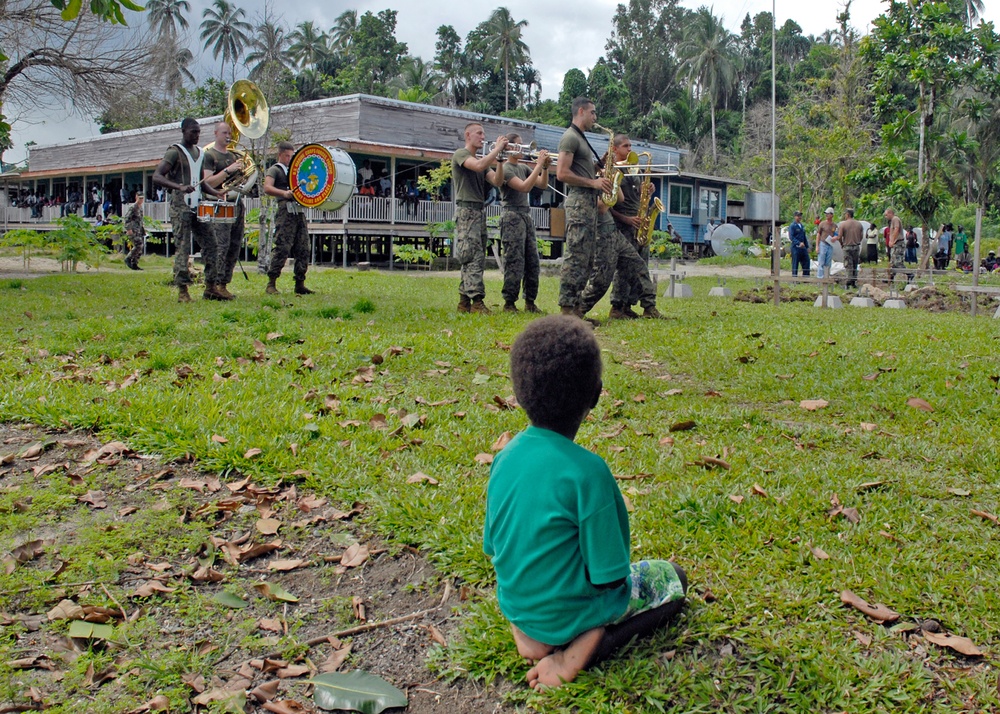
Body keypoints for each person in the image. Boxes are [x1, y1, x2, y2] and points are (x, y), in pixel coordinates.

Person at [484, 315, 688, 690]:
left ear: (519, 392)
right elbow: (609, 577)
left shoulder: (504, 457)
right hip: (570, 615)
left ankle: (531, 634)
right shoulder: (589, 474)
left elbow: (493, 546)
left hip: (518, 605)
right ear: (595, 395)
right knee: (672, 580)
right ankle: (577, 651)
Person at [556, 97, 614, 317]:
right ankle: (567, 309)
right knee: (576, 256)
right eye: (592, 113)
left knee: (587, 258)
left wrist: (598, 166)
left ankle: (576, 309)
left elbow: (580, 169)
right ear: (581, 111)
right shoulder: (570, 137)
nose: (595, 118)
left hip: (588, 203)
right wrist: (593, 182)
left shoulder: (580, 138)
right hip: (579, 201)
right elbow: (562, 173)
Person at [153, 117, 220, 303]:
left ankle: (211, 286)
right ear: (184, 131)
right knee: (183, 246)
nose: (197, 135)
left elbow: (201, 182)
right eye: (193, 132)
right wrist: (178, 186)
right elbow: (157, 176)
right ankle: (183, 290)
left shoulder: (201, 153)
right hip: (180, 204)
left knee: (211, 244)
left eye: (198, 132)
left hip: (198, 204)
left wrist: (217, 193)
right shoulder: (175, 152)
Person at [452, 123, 507, 314]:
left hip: (478, 211)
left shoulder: (482, 161)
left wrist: (500, 160)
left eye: (483, 133)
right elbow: (478, 165)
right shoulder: (461, 154)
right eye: (479, 133)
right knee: (472, 255)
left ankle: (464, 301)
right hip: (466, 210)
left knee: (475, 256)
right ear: (468, 135)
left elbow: (498, 181)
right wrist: (497, 149)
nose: (483, 137)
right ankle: (476, 301)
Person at [607, 135, 663, 319]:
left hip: (638, 223)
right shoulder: (614, 171)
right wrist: (627, 219)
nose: (629, 149)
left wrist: (644, 192)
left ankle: (628, 305)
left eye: (631, 145)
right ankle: (617, 305)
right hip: (623, 224)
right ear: (615, 149)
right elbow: (609, 206)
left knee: (641, 263)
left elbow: (636, 199)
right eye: (625, 146)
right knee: (626, 267)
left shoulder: (634, 170)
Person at [498, 133, 549, 313]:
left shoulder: (523, 167)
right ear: (509, 148)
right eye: (518, 145)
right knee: (514, 260)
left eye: (522, 145)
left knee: (532, 261)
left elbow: (542, 184)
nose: (522, 148)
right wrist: (538, 165)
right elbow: (524, 187)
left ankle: (530, 301)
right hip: (511, 215)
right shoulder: (506, 169)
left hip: (525, 216)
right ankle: (509, 302)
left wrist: (545, 168)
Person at [201, 121, 247, 300]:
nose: (228, 136)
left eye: (230, 133)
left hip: (235, 202)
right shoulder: (210, 155)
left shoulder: (233, 155)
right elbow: (208, 182)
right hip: (218, 204)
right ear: (215, 134)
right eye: (224, 133)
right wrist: (228, 171)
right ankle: (213, 284)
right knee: (221, 244)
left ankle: (224, 283)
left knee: (235, 244)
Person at [264, 141, 314, 296]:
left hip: (298, 211)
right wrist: (283, 193)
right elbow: (267, 187)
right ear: (280, 155)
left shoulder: (296, 172)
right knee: (282, 246)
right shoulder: (275, 170)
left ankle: (300, 282)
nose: (289, 159)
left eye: (291, 156)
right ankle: (271, 282)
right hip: (285, 210)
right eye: (286, 156)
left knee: (303, 247)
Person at [838, 208, 864, 288]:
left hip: (847, 246)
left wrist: (842, 244)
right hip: (856, 246)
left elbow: (839, 236)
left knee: (848, 264)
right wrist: (857, 241)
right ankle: (854, 281)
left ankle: (848, 282)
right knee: (855, 264)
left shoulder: (843, 224)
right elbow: (861, 236)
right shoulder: (859, 224)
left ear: (848, 215)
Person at [123, 194, 146, 270]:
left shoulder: (141, 208)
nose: (141, 200)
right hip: (133, 230)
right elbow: (127, 219)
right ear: (136, 197)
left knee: (141, 246)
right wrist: (128, 229)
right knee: (138, 245)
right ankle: (128, 258)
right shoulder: (133, 207)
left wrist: (143, 228)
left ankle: (134, 263)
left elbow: (140, 220)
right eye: (140, 198)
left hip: (139, 230)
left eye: (142, 198)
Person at [815, 207, 838, 279]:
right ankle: (820, 278)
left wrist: (835, 237)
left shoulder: (834, 225)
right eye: (826, 214)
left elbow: (836, 234)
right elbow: (818, 234)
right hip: (823, 244)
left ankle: (826, 277)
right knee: (821, 262)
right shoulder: (822, 224)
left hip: (830, 245)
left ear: (832, 215)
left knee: (828, 263)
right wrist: (817, 246)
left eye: (828, 214)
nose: (826, 215)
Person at [884, 207, 905, 282]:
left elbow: (897, 229)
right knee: (892, 262)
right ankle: (890, 278)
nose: (886, 217)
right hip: (895, 243)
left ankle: (909, 274)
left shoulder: (895, 219)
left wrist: (892, 240)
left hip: (898, 243)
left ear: (890, 213)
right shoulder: (892, 221)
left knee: (897, 261)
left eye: (886, 215)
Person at [788, 210, 810, 277]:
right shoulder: (792, 226)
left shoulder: (801, 226)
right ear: (795, 217)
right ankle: (794, 278)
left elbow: (804, 237)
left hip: (803, 247)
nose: (799, 217)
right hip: (796, 247)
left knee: (806, 261)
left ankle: (806, 277)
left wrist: (807, 246)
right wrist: (798, 242)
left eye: (800, 216)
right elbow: (791, 237)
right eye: (798, 216)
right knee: (795, 263)